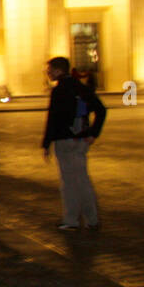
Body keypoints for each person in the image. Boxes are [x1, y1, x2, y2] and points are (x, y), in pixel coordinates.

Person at [42, 56, 106, 231]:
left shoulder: (59, 90)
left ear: (58, 70)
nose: (48, 73)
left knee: (69, 183)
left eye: (49, 70)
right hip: (81, 139)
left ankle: (71, 220)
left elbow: (53, 120)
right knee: (82, 179)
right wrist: (93, 132)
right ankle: (92, 218)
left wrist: (46, 143)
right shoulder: (80, 87)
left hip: (64, 140)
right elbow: (101, 110)